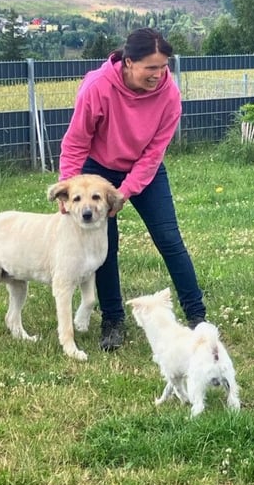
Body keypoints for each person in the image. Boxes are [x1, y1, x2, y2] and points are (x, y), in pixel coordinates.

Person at [59, 27, 207, 350]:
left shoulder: (170, 95)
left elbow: (154, 153)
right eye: (150, 68)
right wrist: (68, 191)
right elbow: (75, 143)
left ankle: (198, 317)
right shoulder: (97, 88)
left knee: (169, 239)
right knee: (106, 247)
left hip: (145, 168)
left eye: (163, 67)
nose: (158, 74)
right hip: (98, 168)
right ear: (128, 63)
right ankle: (113, 319)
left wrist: (125, 191)